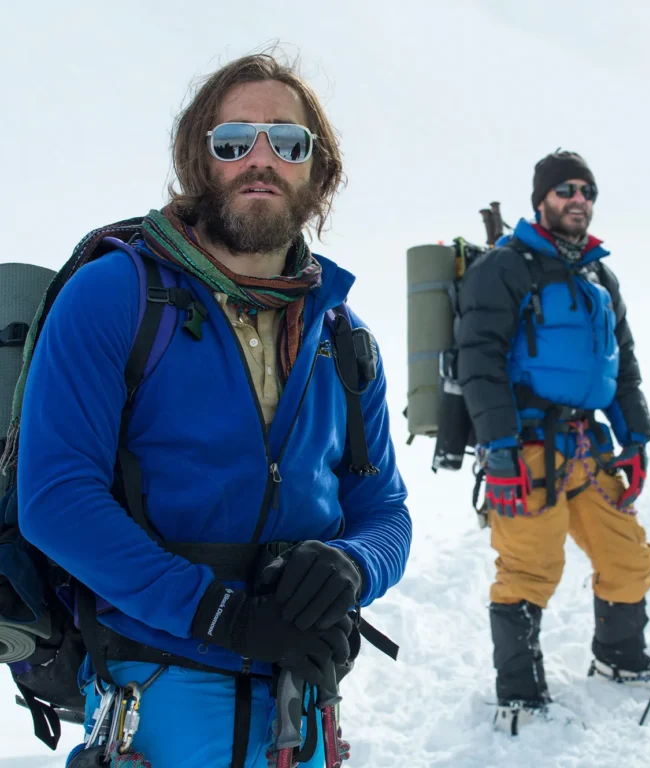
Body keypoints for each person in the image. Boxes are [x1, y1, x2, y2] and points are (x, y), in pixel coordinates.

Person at [13, 53, 412, 767]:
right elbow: (57, 500)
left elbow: (385, 509)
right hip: (158, 697)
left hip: (303, 704)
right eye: (234, 141)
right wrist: (221, 616)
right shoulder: (114, 299)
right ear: (200, 159)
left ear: (319, 171)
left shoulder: (343, 338)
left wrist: (353, 566)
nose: (261, 159)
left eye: (288, 143)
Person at [454, 149, 650, 735]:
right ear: (541, 201)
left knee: (627, 556)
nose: (577, 199)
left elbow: (622, 364)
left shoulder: (599, 274)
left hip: (589, 445)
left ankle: (620, 658)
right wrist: (499, 448)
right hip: (528, 447)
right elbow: (478, 362)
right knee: (530, 567)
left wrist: (636, 439)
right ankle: (521, 693)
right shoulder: (503, 268)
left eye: (586, 190)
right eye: (565, 190)